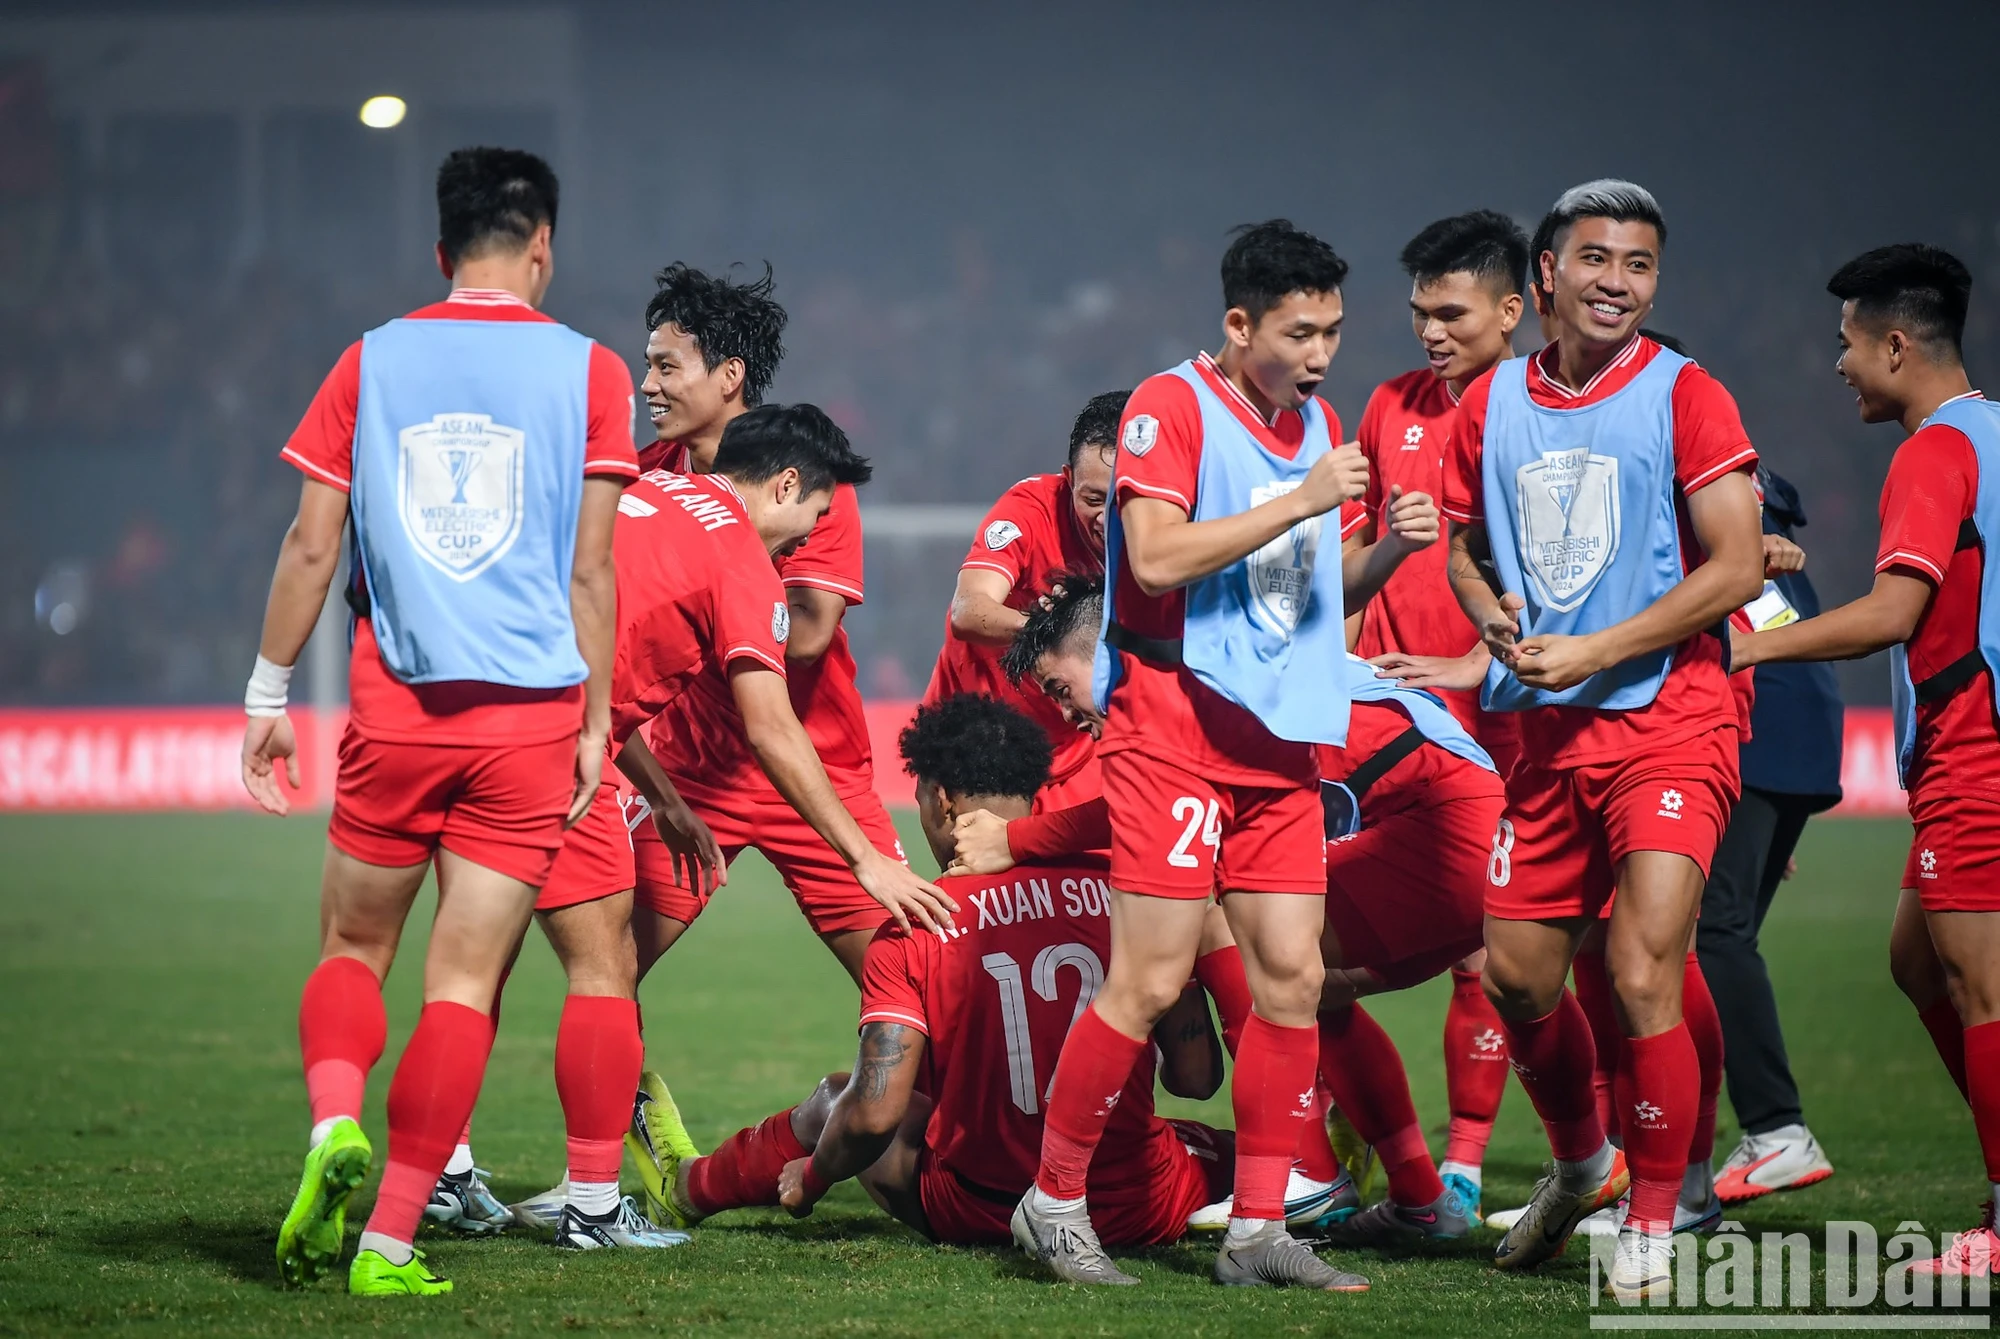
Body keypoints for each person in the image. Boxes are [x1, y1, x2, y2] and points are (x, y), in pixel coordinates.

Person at [1011, 219, 1433, 1292]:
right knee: (1148, 979)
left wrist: (1383, 545)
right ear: (1239, 322)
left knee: (1290, 979)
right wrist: (1302, 498)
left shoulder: (1313, 420)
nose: (1319, 353)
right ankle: (1050, 1200)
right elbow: (1149, 558)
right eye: (1298, 332)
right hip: (1176, 733)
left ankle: (1256, 1230)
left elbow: (1303, 586)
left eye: (1333, 331)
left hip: (1277, 742)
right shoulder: (1172, 405)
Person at [248, 147, 636, 1297]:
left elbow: (313, 545)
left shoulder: (370, 359)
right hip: (525, 727)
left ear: (439, 249)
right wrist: (596, 720)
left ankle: (331, 1131)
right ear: (543, 246)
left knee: (352, 948)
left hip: (394, 710)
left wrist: (270, 695)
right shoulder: (592, 372)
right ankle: (388, 1244)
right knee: (462, 986)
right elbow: (593, 573)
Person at [508, 407, 957, 1236]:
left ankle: (468, 1177)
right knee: (604, 965)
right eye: (812, 517)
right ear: (786, 486)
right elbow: (771, 723)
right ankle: (594, 1195)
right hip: (613, 754)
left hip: (513, 714)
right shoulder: (743, 561)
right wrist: (866, 857)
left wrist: (662, 797)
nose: (810, 537)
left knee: (498, 961)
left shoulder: (645, 490)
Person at [1439, 180, 1764, 1299]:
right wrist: (1489, 616)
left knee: (1638, 969)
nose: (1617, 281)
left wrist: (1599, 647)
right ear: (1545, 276)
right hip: (1540, 736)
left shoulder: (1687, 393)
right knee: (1518, 980)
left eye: (1637, 265)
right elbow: (1459, 546)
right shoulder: (1487, 404)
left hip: (1668, 721)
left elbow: (1730, 564)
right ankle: (1582, 1162)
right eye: (1596, 259)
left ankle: (1656, 1215)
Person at [961, 578, 1498, 1249]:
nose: (1066, 713)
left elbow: (1151, 813)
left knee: (1242, 931)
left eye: (1060, 689)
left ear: (1102, 650)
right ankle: (1425, 1198)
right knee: (1317, 989)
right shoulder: (1215, 661)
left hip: (1439, 833)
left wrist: (1013, 839)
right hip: (1470, 830)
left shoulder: (1195, 685)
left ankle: (1302, 1173)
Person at [623, 694, 1237, 1256]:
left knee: (843, 1097)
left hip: (978, 1209)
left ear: (941, 798)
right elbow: (1195, 1077)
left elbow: (872, 1117)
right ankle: (1319, 1184)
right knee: (1229, 1149)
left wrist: (812, 1180)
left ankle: (692, 1186)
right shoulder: (1128, 900)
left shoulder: (916, 927)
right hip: (1136, 1208)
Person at [1731, 243, 2000, 1277]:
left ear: (1894, 344)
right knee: (1913, 959)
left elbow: (1893, 611)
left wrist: (1747, 641)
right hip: (1968, 744)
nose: (1835, 362)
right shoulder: (1991, 432)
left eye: (1845, 343)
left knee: (1979, 986)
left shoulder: (1934, 451)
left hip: (1974, 745)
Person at [624, 263, 903, 986]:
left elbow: (808, 633)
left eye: (664, 367)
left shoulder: (805, 475)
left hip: (814, 762)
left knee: (912, 975)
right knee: (605, 965)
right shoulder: (646, 470)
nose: (647, 386)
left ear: (728, 375)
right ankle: (633, 1100)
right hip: (695, 768)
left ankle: (856, 1106)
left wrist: (706, 591)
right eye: (646, 367)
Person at [1349, 209, 1532, 1218]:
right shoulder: (1388, 406)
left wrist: (1467, 661)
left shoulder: (1538, 414)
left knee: (1492, 957)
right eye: (1419, 311)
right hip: (1384, 727)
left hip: (1499, 723)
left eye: (1450, 312)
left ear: (1509, 310)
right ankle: (1370, 1160)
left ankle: (1461, 1167)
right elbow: (1365, 546)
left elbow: (1560, 578)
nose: (1429, 329)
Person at [1698, 465, 1841, 1204]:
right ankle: (1683, 1174)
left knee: (1703, 937)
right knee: (1710, 942)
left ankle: (1776, 1129)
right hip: (1804, 722)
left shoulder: (1686, 465)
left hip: (1751, 716)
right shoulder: (1748, 480)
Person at [921, 390, 1125, 811]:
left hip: (1079, 742)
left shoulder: (1166, 528)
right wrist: (1046, 629)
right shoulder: (1031, 509)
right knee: (978, 870)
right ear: (1068, 479)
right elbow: (967, 610)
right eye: (1091, 499)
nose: (1106, 516)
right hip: (983, 733)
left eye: (1120, 499)